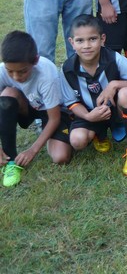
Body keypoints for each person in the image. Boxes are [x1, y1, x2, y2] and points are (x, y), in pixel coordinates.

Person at [60, 15, 127, 176]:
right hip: (90, 113)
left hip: (115, 110)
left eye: (92, 39)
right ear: (71, 43)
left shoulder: (114, 59)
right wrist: (88, 117)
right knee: (77, 141)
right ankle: (98, 134)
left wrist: (115, 84)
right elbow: (71, 102)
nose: (87, 46)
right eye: (80, 41)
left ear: (102, 39)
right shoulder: (67, 68)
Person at [0, 31, 72, 187]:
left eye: (22, 71)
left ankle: (54, 135)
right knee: (7, 95)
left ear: (35, 61)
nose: (16, 77)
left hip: (52, 110)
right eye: (10, 71)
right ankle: (11, 161)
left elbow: (54, 118)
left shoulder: (47, 74)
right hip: (26, 106)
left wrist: (32, 150)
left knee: (60, 157)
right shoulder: (2, 70)